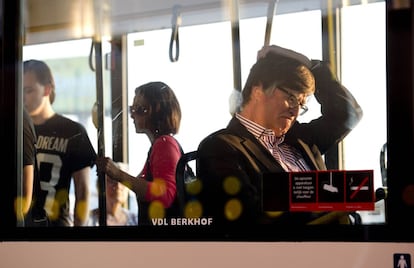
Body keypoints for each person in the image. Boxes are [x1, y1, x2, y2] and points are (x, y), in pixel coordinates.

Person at [196, 45, 363, 225]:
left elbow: (349, 114)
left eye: (302, 104)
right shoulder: (220, 148)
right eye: (291, 98)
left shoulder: (300, 138)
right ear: (258, 91)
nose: (296, 111)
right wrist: (338, 193)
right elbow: (250, 218)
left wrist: (309, 64)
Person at [95, 81, 183, 225]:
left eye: (140, 109)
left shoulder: (164, 145)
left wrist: (118, 174)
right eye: (132, 109)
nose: (132, 115)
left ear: (157, 111)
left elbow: (165, 196)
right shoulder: (160, 145)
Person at [23, 59, 96, 226]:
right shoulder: (17, 131)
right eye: (19, 92)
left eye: (28, 91)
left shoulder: (73, 131)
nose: (23, 98)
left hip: (56, 228)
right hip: (22, 228)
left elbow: (83, 191)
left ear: (47, 89)